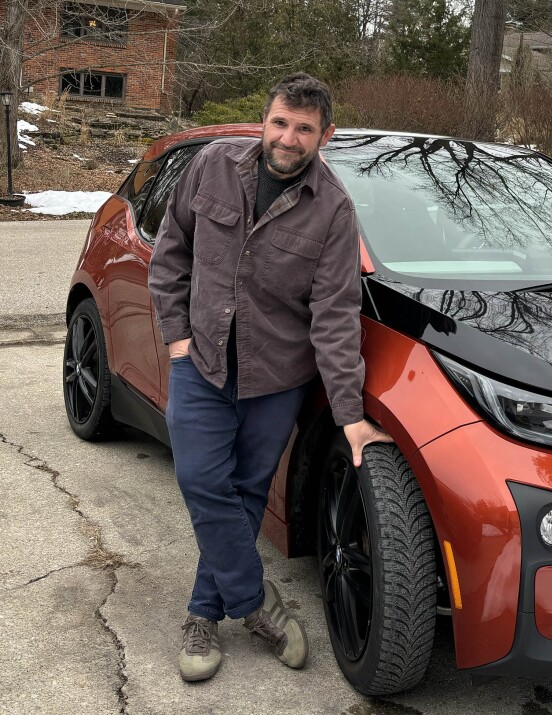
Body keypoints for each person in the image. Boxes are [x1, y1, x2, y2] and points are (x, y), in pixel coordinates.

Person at [148, 73, 392, 682]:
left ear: (324, 136)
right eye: (280, 122)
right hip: (201, 361)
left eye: (304, 129)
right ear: (265, 120)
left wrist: (351, 416)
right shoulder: (213, 164)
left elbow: (335, 317)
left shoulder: (333, 210)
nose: (288, 138)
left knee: (248, 491)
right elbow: (170, 251)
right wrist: (176, 336)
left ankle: (203, 614)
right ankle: (260, 604)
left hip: (276, 377)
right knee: (203, 480)